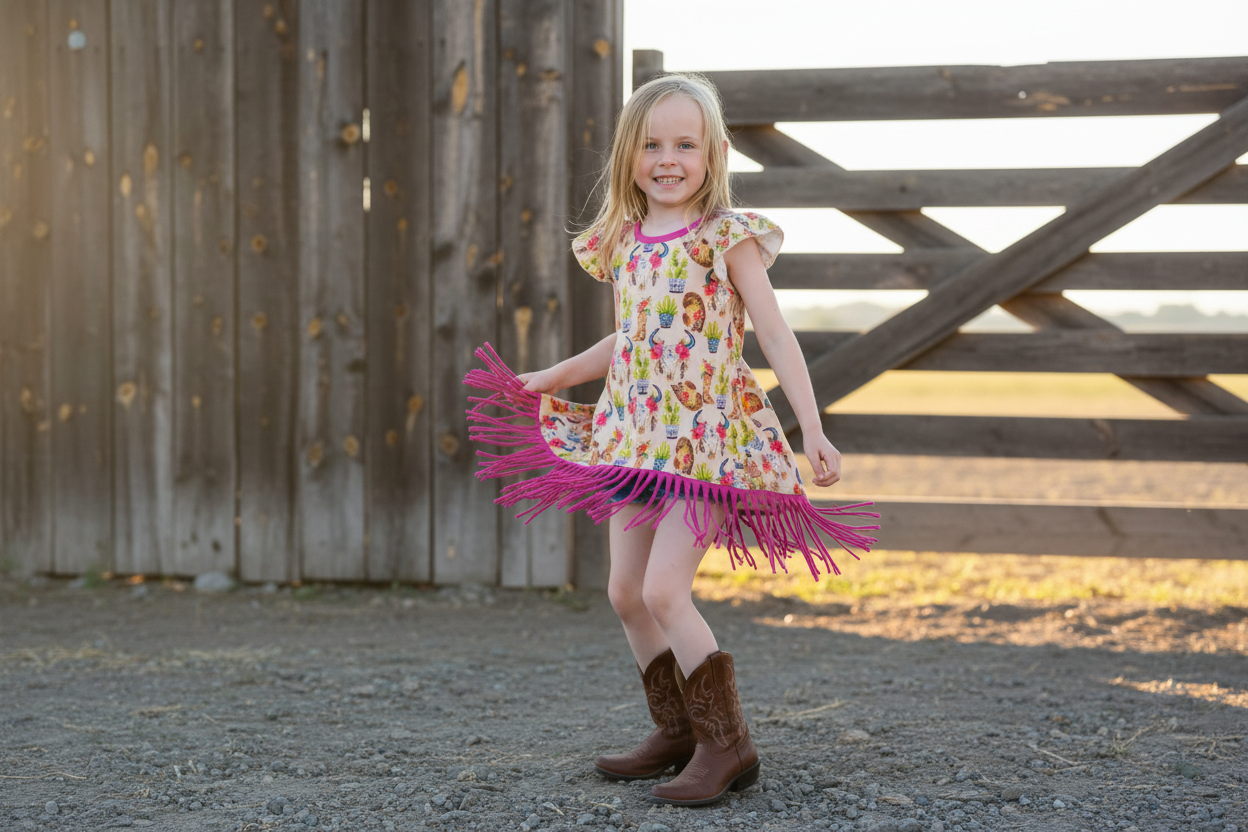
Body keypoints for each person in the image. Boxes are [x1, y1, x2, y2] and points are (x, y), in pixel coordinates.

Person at [464, 73, 876, 807]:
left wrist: (810, 427)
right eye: (652, 144)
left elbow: (775, 333)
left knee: (664, 589)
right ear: (628, 155)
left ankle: (730, 745)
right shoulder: (622, 240)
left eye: (685, 144)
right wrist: (549, 378)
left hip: (706, 445)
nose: (668, 159)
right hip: (638, 443)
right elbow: (630, 337)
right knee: (626, 592)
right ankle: (680, 731)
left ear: (712, 153)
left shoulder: (728, 236)